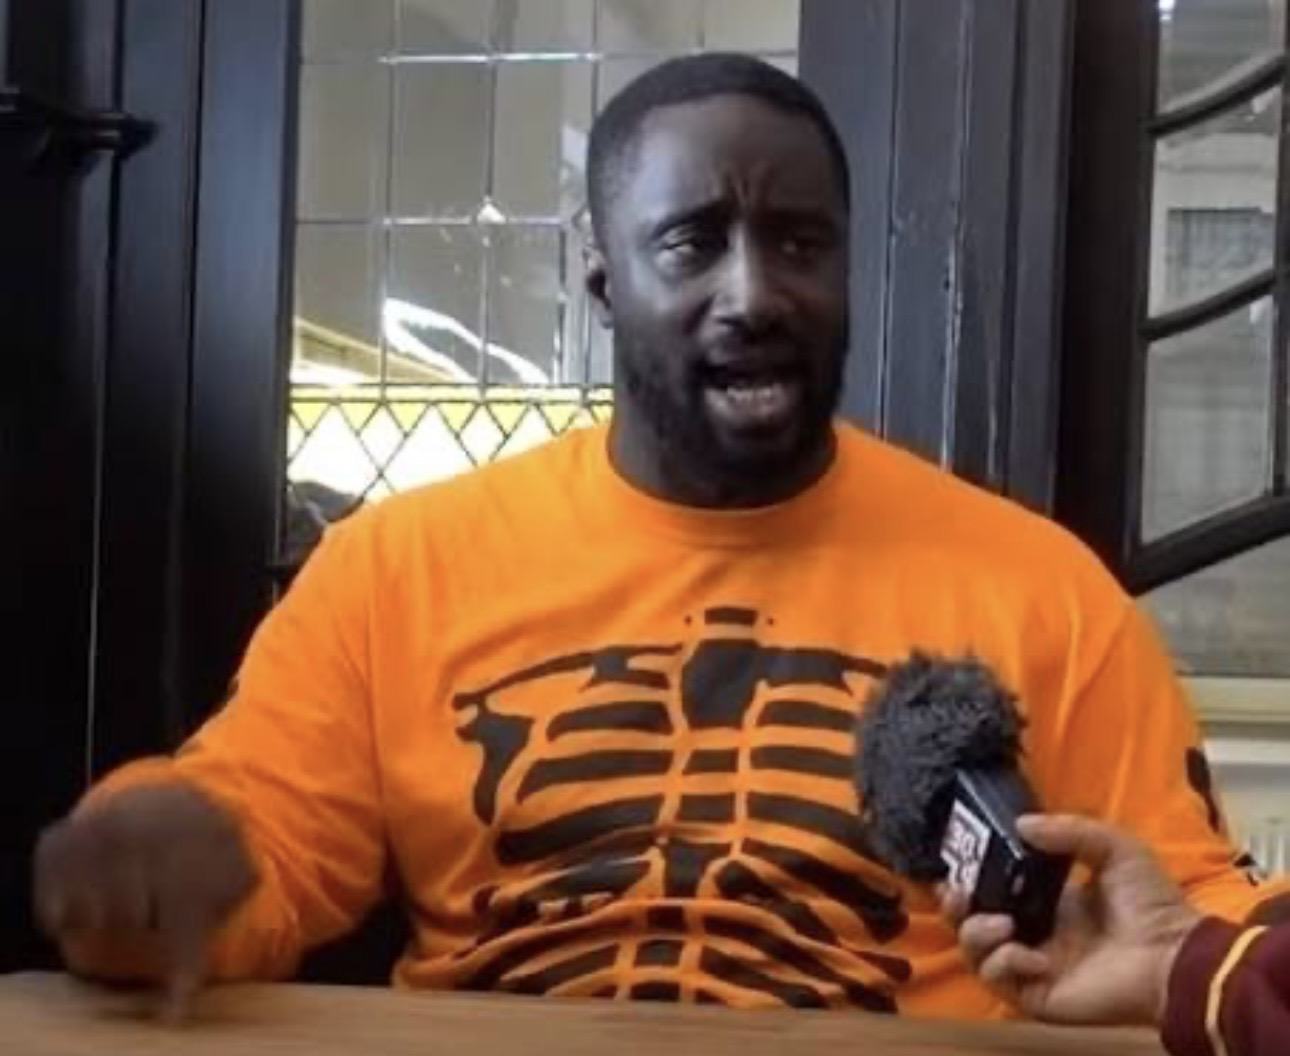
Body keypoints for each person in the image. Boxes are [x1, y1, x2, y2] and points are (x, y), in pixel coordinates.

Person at [33, 53, 1289, 1052]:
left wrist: (1238, 959)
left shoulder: (1040, 590)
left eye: (800, 243)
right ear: (600, 279)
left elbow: (1186, 915)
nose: (755, 293)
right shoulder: (394, 568)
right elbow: (259, 840)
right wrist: (147, 868)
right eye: (690, 243)